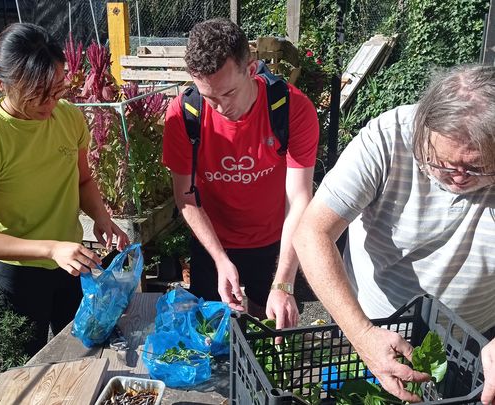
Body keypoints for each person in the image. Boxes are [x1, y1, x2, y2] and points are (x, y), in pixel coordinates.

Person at [293, 64, 495, 403]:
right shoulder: (388, 137)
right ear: (422, 132)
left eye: (477, 168)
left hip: (476, 339)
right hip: (374, 326)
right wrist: (363, 334)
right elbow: (312, 233)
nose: (459, 178)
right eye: (442, 164)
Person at [0, 23, 129, 356]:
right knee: (22, 366)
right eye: (36, 95)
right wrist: (50, 249)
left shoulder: (69, 118)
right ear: (0, 83)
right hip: (17, 273)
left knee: (81, 352)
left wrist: (102, 217)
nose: (49, 104)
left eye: (57, 90)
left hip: (70, 262)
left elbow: (83, 180)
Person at [162, 18, 319, 329]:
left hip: (273, 241)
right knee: (209, 333)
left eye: (229, 93)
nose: (220, 108)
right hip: (212, 242)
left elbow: (300, 199)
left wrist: (284, 282)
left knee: (271, 327)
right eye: (209, 97)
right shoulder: (184, 113)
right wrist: (220, 259)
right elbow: (186, 196)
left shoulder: (292, 109)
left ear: (251, 69)